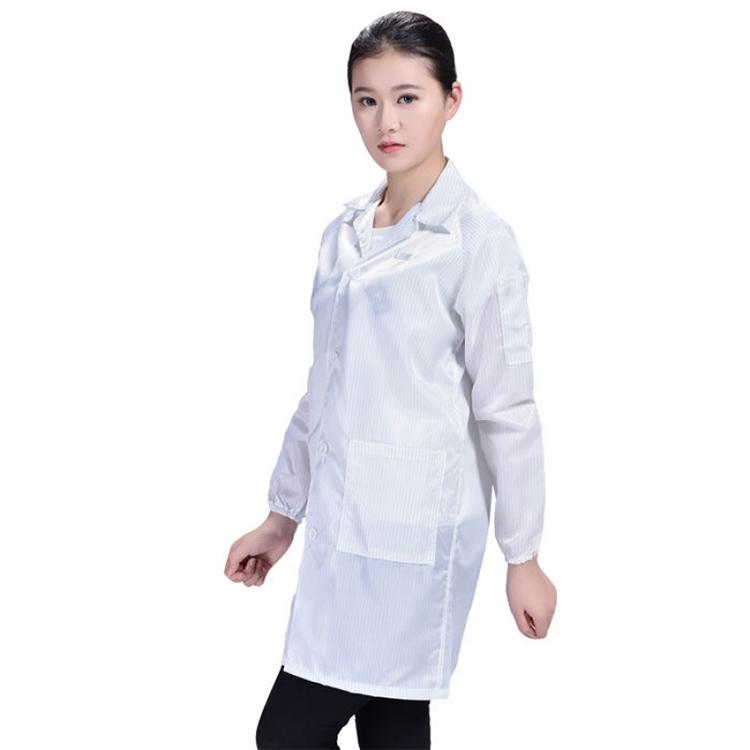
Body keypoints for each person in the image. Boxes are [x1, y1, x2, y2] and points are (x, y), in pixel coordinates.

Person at [225, 10, 557, 749]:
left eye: (408, 97)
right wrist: (282, 518)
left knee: (288, 733)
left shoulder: (479, 242)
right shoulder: (343, 233)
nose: (387, 121)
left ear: (452, 99)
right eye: (367, 99)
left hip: (417, 530)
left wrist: (524, 556)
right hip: (341, 532)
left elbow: (507, 408)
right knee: (392, 726)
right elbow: (326, 386)